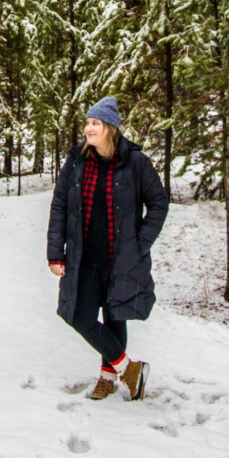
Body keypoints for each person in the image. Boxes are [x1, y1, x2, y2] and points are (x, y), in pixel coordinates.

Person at [46, 96, 169, 401]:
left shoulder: (135, 162)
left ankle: (107, 377)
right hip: (84, 256)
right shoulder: (76, 161)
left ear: (110, 128)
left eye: (95, 124)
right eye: (87, 123)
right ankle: (130, 369)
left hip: (121, 257)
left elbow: (159, 204)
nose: (88, 129)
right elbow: (60, 206)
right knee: (78, 315)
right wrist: (55, 252)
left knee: (115, 316)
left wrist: (139, 244)